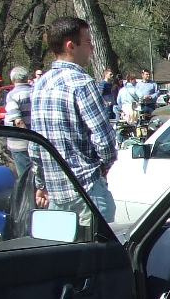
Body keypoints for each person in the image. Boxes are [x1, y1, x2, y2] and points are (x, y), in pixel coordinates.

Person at [30, 15, 118, 224]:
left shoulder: (40, 85)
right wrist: (104, 166)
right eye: (88, 42)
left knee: (65, 255)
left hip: (55, 192)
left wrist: (41, 184)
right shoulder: (82, 84)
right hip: (87, 190)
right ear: (71, 46)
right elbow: (104, 138)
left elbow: (35, 146)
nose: (92, 49)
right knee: (100, 254)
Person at [2, 66, 33, 176]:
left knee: (25, 177)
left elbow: (18, 121)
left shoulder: (12, 95)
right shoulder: (35, 91)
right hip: (39, 141)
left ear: (13, 79)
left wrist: (29, 139)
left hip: (21, 143)